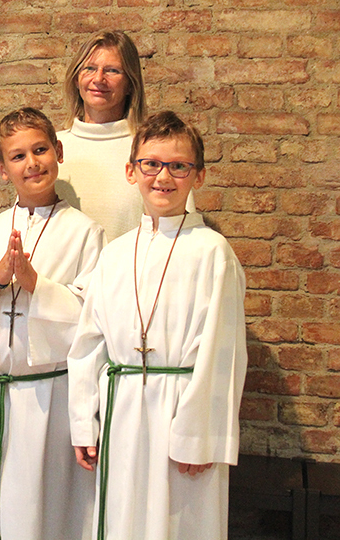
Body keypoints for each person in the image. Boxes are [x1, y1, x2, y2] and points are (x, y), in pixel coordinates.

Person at [68, 111, 247, 540]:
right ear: (131, 171)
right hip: (121, 410)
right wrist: (82, 420)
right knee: (122, 521)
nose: (163, 176)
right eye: (151, 164)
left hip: (181, 418)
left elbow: (223, 352)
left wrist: (201, 435)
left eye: (178, 166)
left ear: (197, 177)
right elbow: (89, 345)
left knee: (180, 523)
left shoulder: (212, 253)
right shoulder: (114, 253)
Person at [0, 108, 105, 540]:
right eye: (17, 156)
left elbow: (92, 321)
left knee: (43, 513)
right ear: (2, 169)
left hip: (49, 397)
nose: (32, 163)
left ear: (58, 152)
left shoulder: (86, 233)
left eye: (40, 150)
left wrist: (36, 284)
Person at [55, 30, 147, 242]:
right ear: (76, 80)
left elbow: (176, 233)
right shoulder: (48, 149)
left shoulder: (151, 151)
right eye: (89, 68)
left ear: (130, 85)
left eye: (112, 71)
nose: (98, 79)